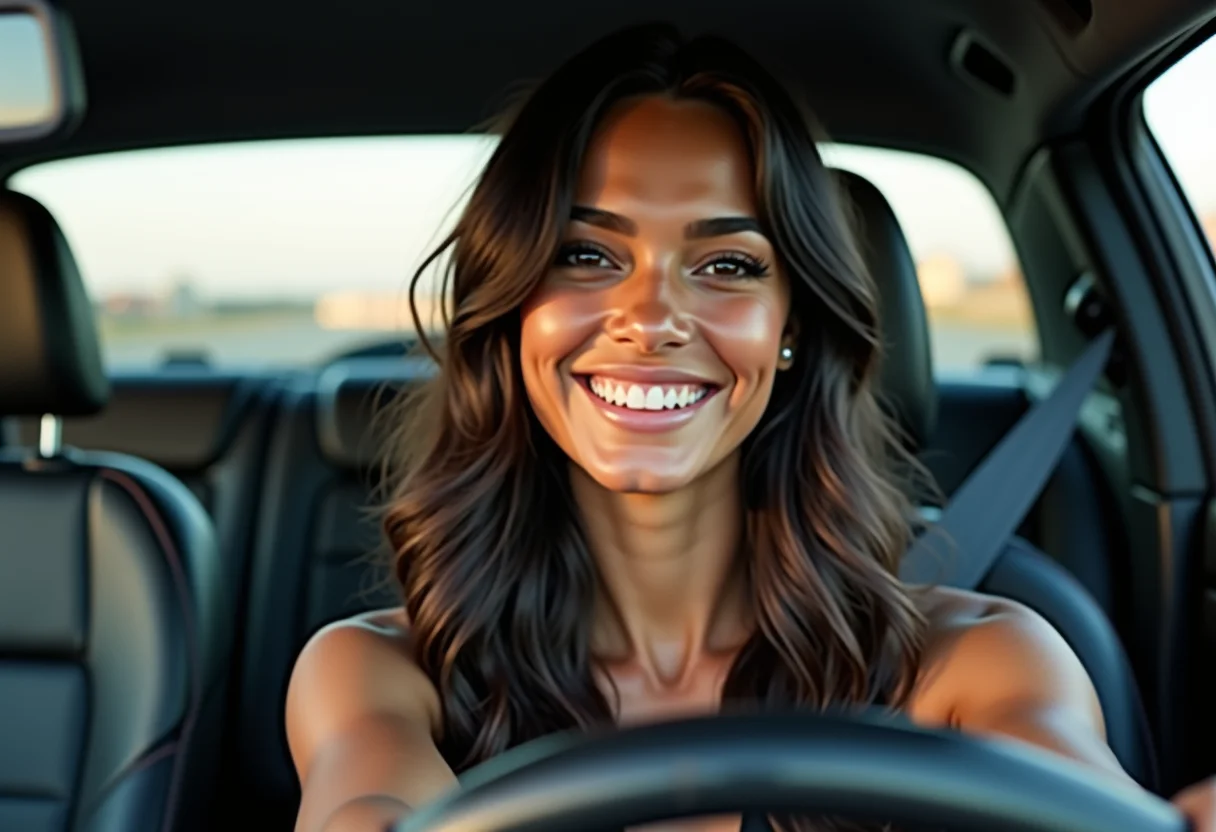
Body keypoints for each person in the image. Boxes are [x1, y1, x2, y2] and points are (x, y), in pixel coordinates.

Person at [285, 22, 1216, 832]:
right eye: (585, 254)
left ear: (790, 327)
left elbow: (1074, 788)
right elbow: (366, 800)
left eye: (727, 265)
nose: (651, 320)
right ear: (511, 311)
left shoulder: (976, 658)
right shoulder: (379, 672)